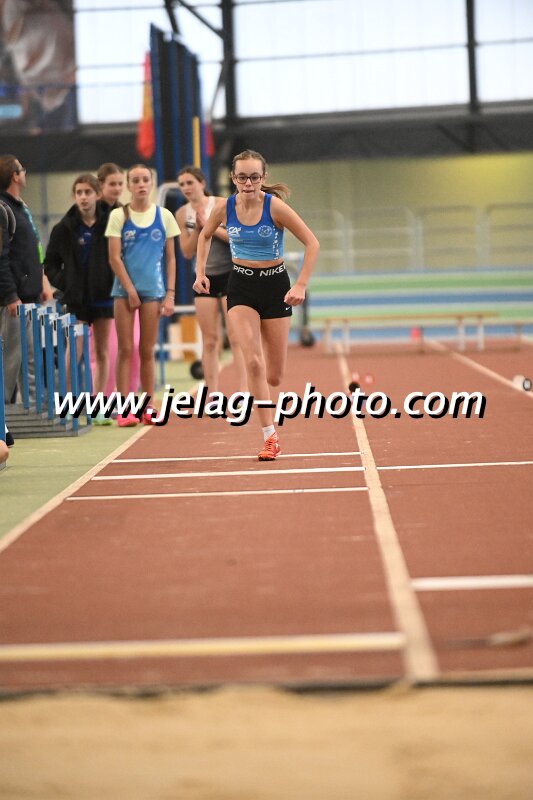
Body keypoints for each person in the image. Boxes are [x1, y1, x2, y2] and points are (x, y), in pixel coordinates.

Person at [195, 149, 319, 461]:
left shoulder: (274, 207)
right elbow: (205, 235)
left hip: (275, 286)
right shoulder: (225, 207)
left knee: (274, 375)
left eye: (253, 177)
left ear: (263, 177)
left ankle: (265, 378)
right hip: (240, 286)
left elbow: (312, 243)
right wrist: (200, 273)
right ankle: (270, 436)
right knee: (253, 362)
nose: (248, 183)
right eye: (242, 177)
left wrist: (301, 284)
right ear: (232, 178)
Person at [105, 163, 179, 427]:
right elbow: (114, 258)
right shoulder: (118, 216)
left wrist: (170, 294)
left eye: (145, 179)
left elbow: (171, 259)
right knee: (126, 349)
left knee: (147, 350)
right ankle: (125, 408)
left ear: (151, 183)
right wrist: (129, 290)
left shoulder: (164, 216)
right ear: (129, 185)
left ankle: (149, 407)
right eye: (135, 180)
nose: (141, 184)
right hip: (124, 292)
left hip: (153, 292)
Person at [44, 173, 113, 423]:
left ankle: (99, 404)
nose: (83, 197)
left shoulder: (111, 222)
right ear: (74, 196)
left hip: (104, 297)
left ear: (97, 194)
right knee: (74, 351)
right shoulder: (63, 228)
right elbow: (50, 265)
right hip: (76, 300)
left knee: (102, 351)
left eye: (87, 192)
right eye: (79, 193)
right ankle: (69, 402)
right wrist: (67, 283)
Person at [175, 165, 247, 395]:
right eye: (182, 184)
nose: (186, 188)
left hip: (229, 275)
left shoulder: (222, 204)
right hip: (204, 277)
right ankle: (213, 393)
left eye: (190, 182)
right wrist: (198, 230)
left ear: (202, 183)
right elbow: (186, 251)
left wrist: (210, 227)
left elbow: (237, 239)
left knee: (235, 336)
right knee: (210, 340)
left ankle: (244, 390)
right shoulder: (182, 214)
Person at [0, 153, 53, 443]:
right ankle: (2, 422)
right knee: (9, 363)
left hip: (29, 296)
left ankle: (32, 411)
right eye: (22, 169)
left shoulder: (21, 207)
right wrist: (11, 295)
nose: (25, 173)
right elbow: (2, 258)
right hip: (13, 301)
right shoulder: (3, 209)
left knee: (29, 357)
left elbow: (33, 250)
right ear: (14, 175)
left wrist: (41, 281)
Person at [97, 163, 141, 397]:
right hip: (98, 292)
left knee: (131, 346)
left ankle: (128, 395)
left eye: (119, 184)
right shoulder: (91, 214)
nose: (116, 188)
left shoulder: (125, 213)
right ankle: (100, 398)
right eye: (111, 184)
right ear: (100, 185)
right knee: (105, 350)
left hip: (125, 286)